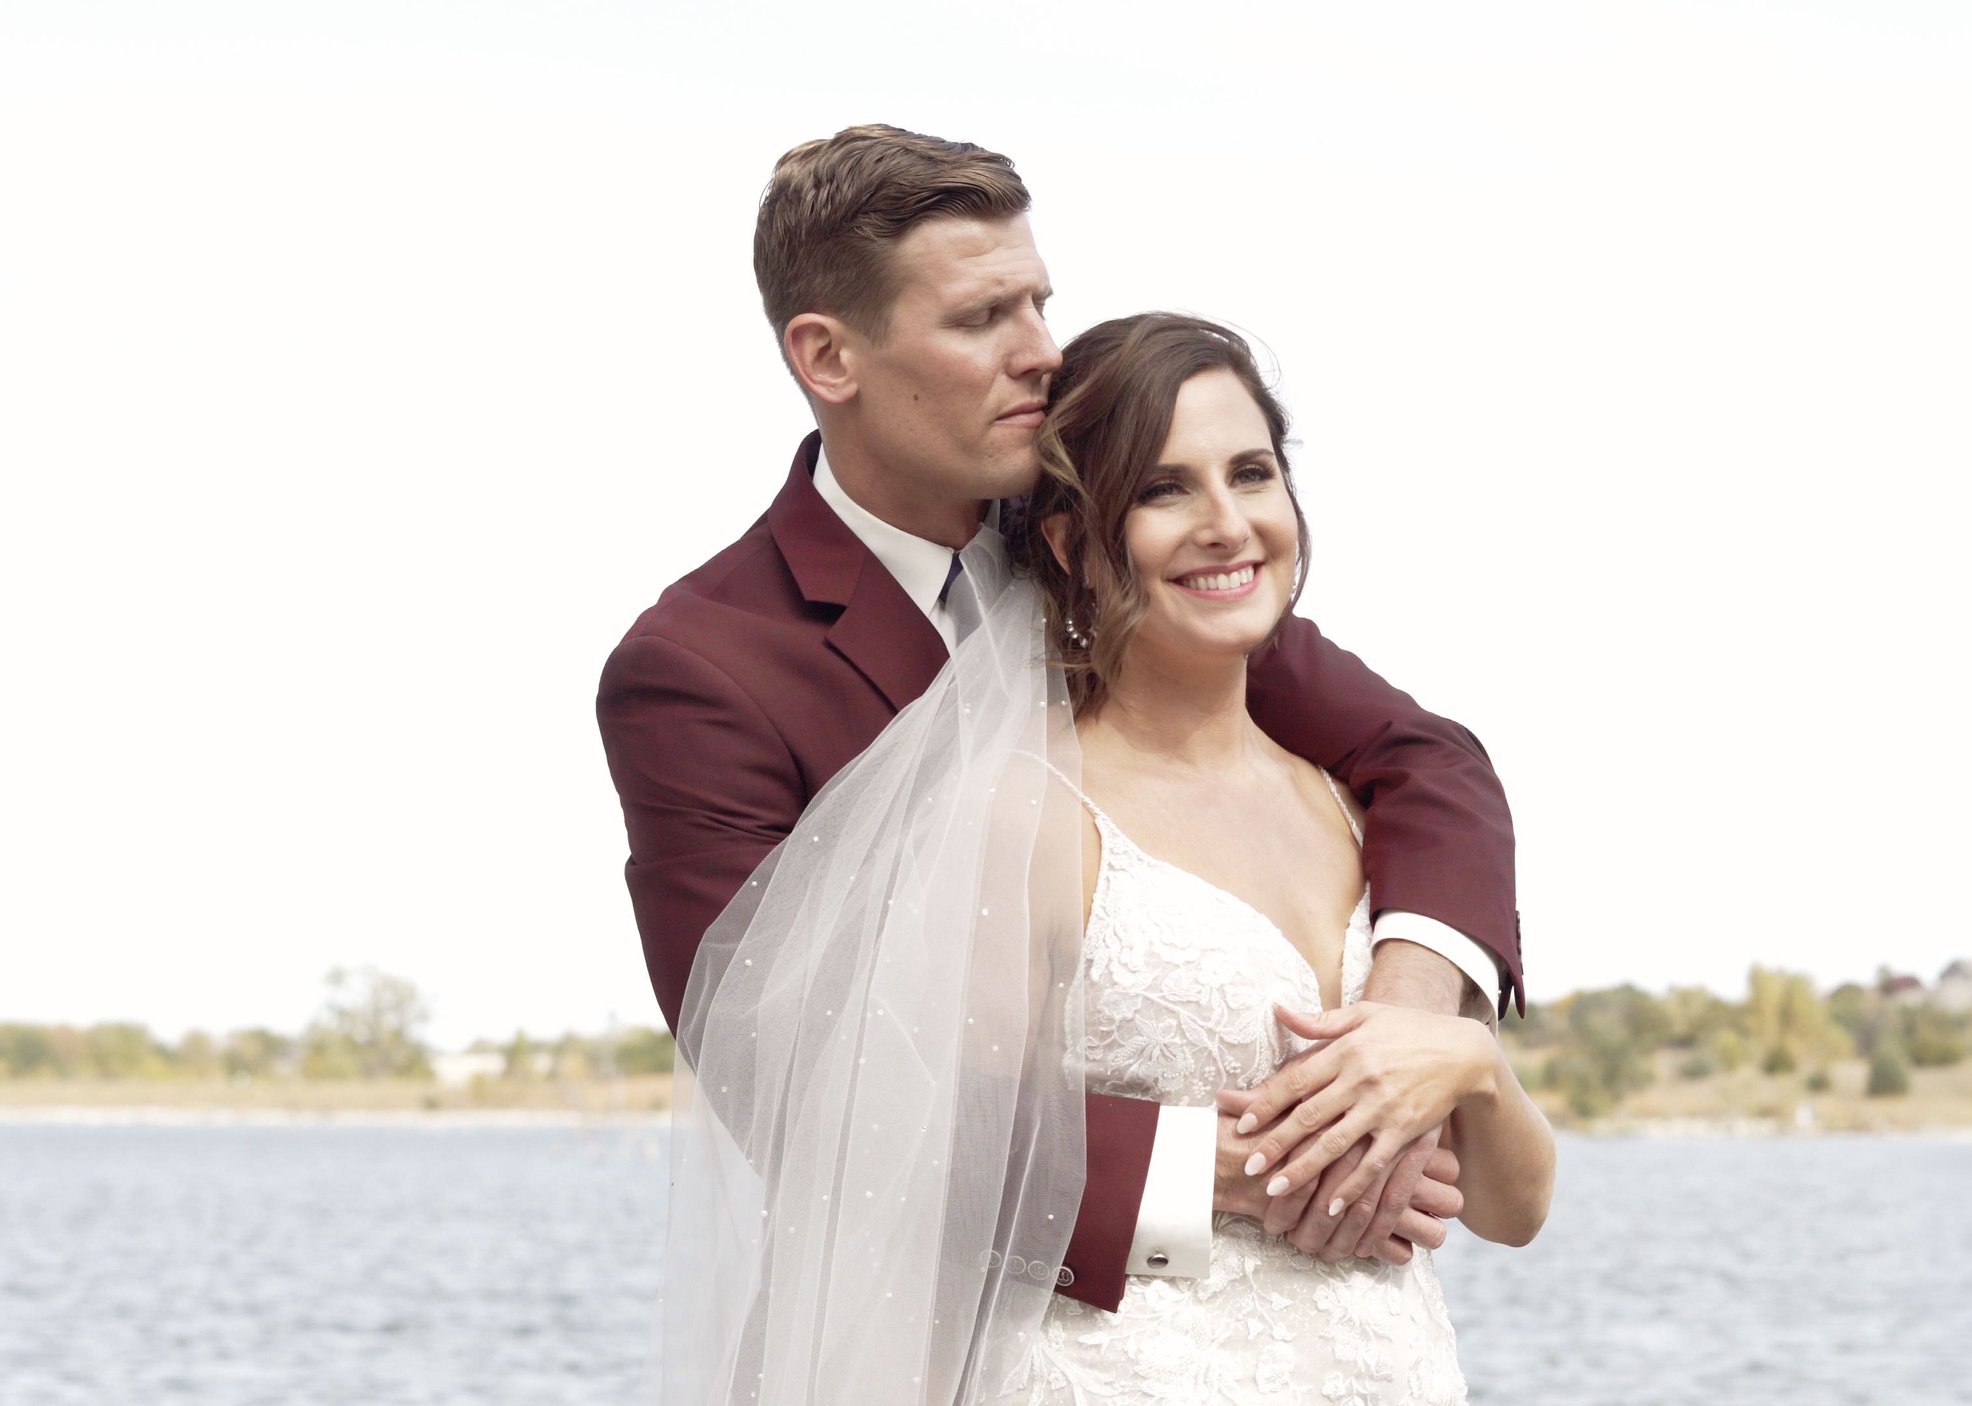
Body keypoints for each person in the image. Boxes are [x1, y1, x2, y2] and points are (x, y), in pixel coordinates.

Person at [596, 123, 1522, 1334]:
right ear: (828, 355)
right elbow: (799, 1083)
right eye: (984, 320)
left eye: (1041, 302)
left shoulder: (1111, 537)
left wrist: (1400, 1023)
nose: (1042, 353)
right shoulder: (700, 668)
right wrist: (1258, 1168)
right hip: (956, 1334)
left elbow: (1423, 756)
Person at [1006, 312, 1556, 1400]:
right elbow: (941, 1163)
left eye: (1250, 473)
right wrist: (1250, 1176)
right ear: (1074, 543)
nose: (1227, 523)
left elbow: (1511, 1208)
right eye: (1164, 490)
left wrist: (1470, 1065)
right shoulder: (1033, 815)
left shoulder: (1358, 805)